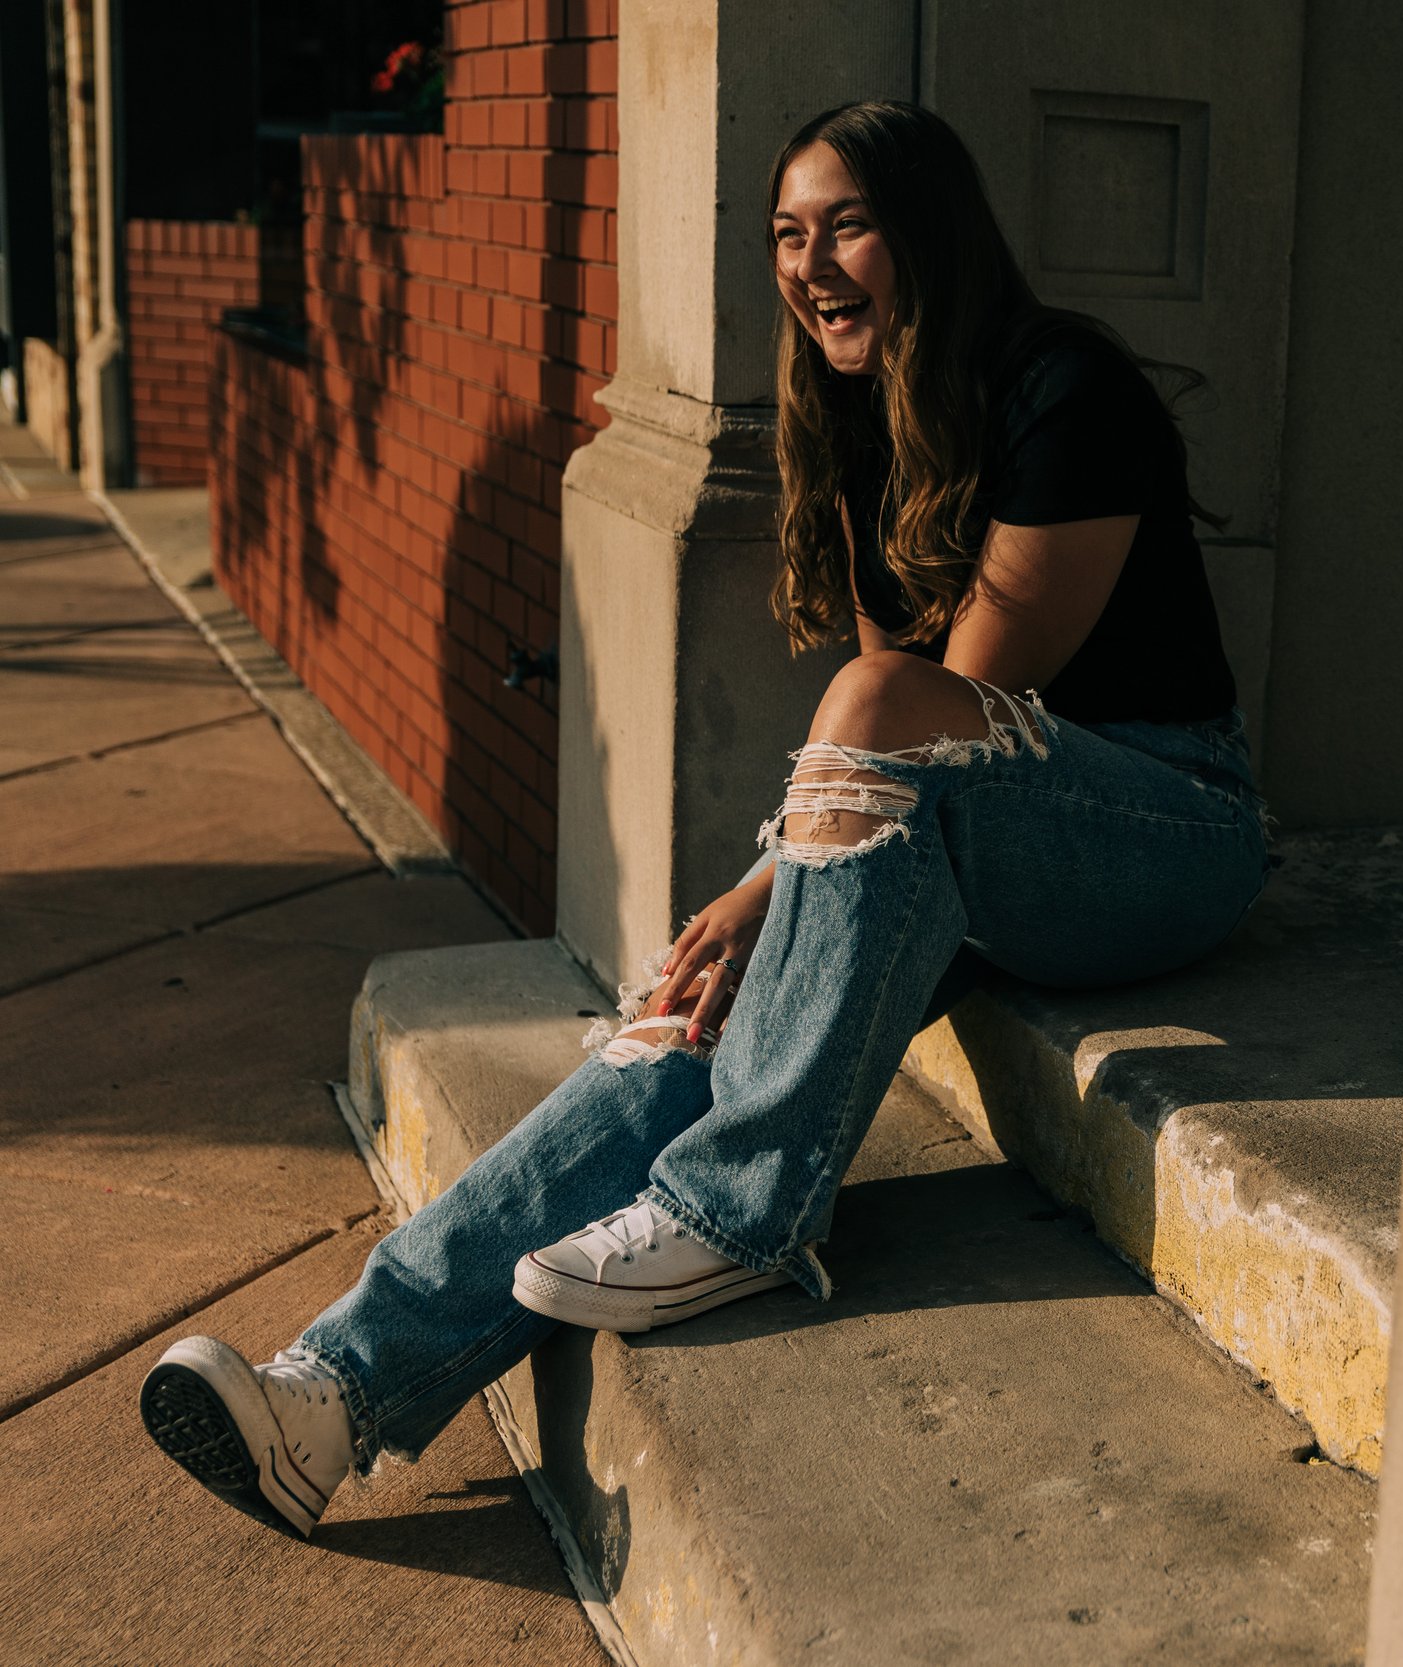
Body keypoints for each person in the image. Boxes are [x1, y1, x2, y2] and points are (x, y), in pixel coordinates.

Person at [136, 100, 1265, 1538]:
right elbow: (890, 744)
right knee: (685, 1014)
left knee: (811, 846)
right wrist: (750, 905)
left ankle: (743, 1209)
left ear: (932, 229)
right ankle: (335, 1395)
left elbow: (950, 709)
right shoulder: (862, 428)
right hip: (978, 834)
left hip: (1161, 829)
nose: (808, 262)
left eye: (845, 222)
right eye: (788, 235)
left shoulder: (1064, 389)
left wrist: (778, 884)